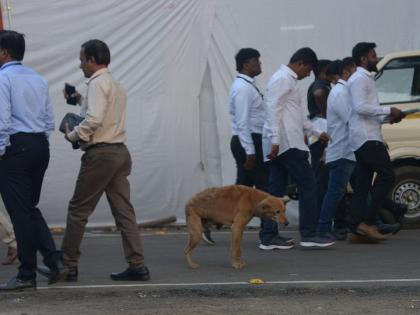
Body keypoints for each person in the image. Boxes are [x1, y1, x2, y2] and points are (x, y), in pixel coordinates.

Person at [48, 39, 148, 282]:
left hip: (101, 155)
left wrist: (72, 134)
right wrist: (79, 100)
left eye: (82, 60)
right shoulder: (114, 83)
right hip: (120, 152)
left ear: (92, 60)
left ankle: (68, 265)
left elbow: (93, 120)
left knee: (78, 210)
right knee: (124, 212)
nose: (80, 65)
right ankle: (137, 265)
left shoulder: (96, 84)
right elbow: (102, 112)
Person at [206, 48, 293, 250]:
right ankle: (268, 235)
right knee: (261, 190)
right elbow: (242, 122)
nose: (260, 64)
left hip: (250, 141)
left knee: (239, 191)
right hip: (248, 141)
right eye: (256, 61)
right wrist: (250, 151)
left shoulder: (247, 86)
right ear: (246, 64)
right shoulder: (243, 89)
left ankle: (207, 220)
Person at [0, 30, 65, 291]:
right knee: (28, 207)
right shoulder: (37, 78)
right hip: (39, 144)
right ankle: (53, 260)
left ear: (4, 53)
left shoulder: (3, 78)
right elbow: (48, 119)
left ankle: (27, 273)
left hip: (15, 147)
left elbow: (2, 121)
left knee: (19, 213)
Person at [261, 47, 335, 248]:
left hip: (282, 143)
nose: (309, 74)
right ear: (301, 63)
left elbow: (297, 115)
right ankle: (309, 234)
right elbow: (272, 110)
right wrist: (275, 140)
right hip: (287, 143)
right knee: (308, 185)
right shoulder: (283, 79)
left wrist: (317, 133)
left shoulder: (285, 79)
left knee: (274, 191)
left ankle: (268, 237)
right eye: (309, 69)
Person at [347, 42, 405, 241]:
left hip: (366, 136)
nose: (377, 58)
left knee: (362, 186)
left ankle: (356, 228)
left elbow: (369, 112)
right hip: (367, 138)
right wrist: (389, 110)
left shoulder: (365, 79)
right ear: (363, 59)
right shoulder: (359, 79)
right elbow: (360, 107)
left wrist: (390, 117)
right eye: (373, 55)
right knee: (387, 175)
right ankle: (369, 222)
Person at [316, 57, 357, 239]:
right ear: (347, 71)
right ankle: (323, 229)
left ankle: (371, 222)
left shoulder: (344, 91)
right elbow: (351, 120)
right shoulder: (340, 93)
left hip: (348, 150)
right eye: (355, 70)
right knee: (335, 192)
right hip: (342, 150)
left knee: (360, 188)